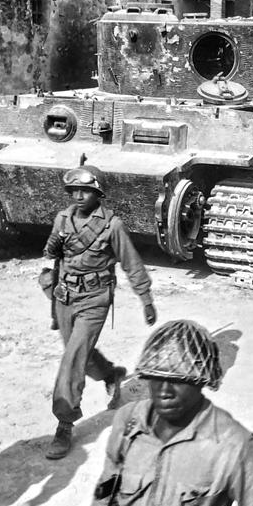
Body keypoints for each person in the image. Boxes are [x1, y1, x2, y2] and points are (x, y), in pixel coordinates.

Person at [85, 320, 253, 506]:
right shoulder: (129, 420)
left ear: (202, 382)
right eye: (156, 378)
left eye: (178, 380)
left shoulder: (231, 445)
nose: (164, 391)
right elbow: (106, 490)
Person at [43, 163, 158, 460]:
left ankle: (64, 423)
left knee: (72, 359)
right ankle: (111, 374)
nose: (80, 196)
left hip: (95, 299)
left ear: (98, 194)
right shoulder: (62, 220)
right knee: (79, 353)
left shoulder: (112, 225)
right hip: (65, 295)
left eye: (86, 191)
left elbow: (131, 263)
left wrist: (145, 298)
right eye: (75, 191)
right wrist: (50, 285)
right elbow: (53, 258)